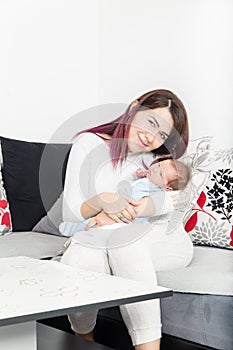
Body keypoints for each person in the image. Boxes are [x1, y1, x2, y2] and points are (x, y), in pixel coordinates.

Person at [61, 89, 194, 350]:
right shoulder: (87, 144)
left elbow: (175, 200)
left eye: (162, 135)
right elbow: (70, 214)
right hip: (104, 234)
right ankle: (85, 340)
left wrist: (131, 210)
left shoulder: (156, 158)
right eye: (151, 123)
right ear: (134, 108)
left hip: (164, 240)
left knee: (125, 241)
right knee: (77, 258)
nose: (151, 137)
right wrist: (102, 201)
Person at [59, 158, 190, 236]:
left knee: (96, 226)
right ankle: (72, 229)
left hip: (125, 219)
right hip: (115, 207)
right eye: (158, 164)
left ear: (167, 188)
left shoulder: (155, 193)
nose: (155, 169)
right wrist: (145, 175)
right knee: (92, 221)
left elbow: (137, 203)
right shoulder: (150, 179)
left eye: (160, 173)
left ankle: (72, 231)